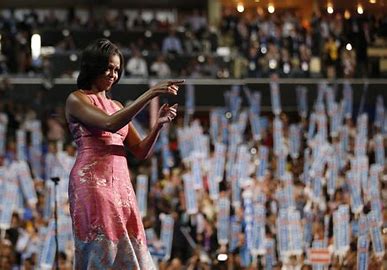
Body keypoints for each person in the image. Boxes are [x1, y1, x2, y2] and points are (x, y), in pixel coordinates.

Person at [64, 38, 184, 269]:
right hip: (93, 182)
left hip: (120, 183)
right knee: (104, 243)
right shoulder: (76, 99)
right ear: (93, 66)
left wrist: (158, 125)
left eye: (117, 69)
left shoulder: (118, 106)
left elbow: (140, 151)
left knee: (129, 242)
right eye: (108, 67)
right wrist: (149, 94)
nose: (113, 74)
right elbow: (108, 124)